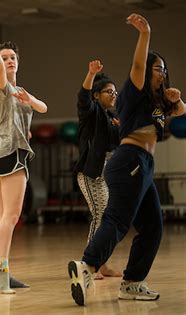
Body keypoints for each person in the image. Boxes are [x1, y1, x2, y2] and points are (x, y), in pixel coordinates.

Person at [68, 13, 185, 306]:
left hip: (143, 165)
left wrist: (176, 99)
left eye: (164, 69)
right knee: (118, 219)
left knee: (153, 226)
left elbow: (179, 112)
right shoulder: (134, 92)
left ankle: (132, 282)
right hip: (129, 159)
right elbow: (137, 64)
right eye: (157, 68)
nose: (162, 72)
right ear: (146, 71)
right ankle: (87, 266)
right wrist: (145, 33)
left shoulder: (156, 106)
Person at [0, 27, 47, 294]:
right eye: (5, 57)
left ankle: (2, 270)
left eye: (12, 56)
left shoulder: (20, 90)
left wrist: (31, 99)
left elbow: (43, 108)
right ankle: (2, 273)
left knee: (6, 217)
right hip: (10, 152)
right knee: (11, 217)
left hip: (0, 154)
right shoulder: (1, 86)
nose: (9, 60)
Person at [73, 60, 122, 280]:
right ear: (96, 95)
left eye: (115, 92)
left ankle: (102, 263)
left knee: (110, 218)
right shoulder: (90, 113)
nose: (114, 95)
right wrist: (91, 74)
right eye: (108, 92)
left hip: (109, 174)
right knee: (99, 215)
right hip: (92, 173)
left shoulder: (113, 118)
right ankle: (88, 263)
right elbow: (83, 97)